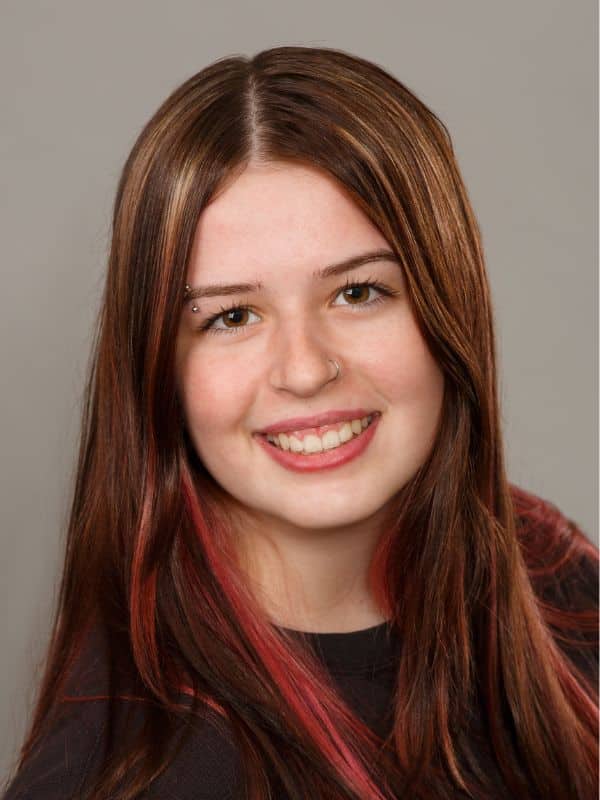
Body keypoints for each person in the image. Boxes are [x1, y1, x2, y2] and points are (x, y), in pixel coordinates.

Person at [2, 45, 598, 800]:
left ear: (450, 309)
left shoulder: (555, 578)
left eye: (358, 294)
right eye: (232, 316)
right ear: (158, 368)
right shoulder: (125, 775)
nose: (306, 368)